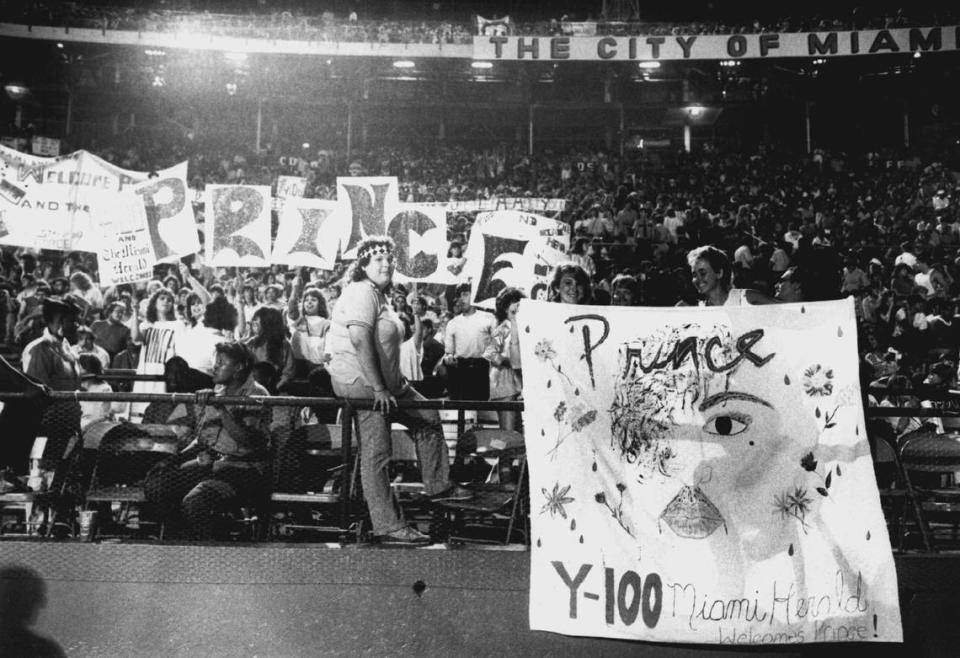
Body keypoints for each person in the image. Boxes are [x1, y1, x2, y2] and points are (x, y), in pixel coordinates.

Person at [327, 236, 471, 544]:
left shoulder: (380, 295)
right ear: (363, 265)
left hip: (389, 385)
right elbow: (359, 341)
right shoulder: (360, 292)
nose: (386, 264)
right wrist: (379, 387)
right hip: (364, 385)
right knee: (378, 452)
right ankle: (389, 526)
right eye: (378, 259)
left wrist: (391, 384)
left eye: (389, 259)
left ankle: (440, 486)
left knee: (429, 418)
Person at [145, 342, 271, 540]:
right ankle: (178, 543)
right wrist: (175, 460)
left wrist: (221, 408)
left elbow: (247, 440)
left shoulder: (257, 394)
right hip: (210, 465)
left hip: (242, 471)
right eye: (215, 361)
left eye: (221, 362)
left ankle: (220, 546)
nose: (215, 366)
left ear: (238, 367)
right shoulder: (216, 392)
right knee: (158, 484)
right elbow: (202, 439)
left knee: (195, 502)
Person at [21, 298, 82, 469]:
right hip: (47, 426)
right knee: (43, 472)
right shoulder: (39, 350)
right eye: (73, 321)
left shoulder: (67, 346)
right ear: (59, 322)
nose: (77, 325)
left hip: (69, 422)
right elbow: (37, 394)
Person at [443, 282, 497, 402]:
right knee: (460, 409)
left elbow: (497, 344)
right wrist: (449, 358)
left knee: (480, 407)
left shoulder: (488, 318)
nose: (461, 299)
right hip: (459, 370)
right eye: (459, 296)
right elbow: (449, 352)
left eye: (465, 295)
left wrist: (488, 360)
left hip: (481, 369)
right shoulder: (453, 323)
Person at [484, 287, 524, 431]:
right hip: (504, 384)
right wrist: (509, 361)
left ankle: (506, 452)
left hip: (517, 384)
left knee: (518, 431)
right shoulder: (502, 329)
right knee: (508, 431)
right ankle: (501, 452)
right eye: (514, 309)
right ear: (505, 310)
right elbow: (490, 353)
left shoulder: (522, 328)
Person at [686, 245, 776, 306]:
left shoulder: (746, 298)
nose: (697, 279)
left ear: (719, 273)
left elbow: (785, 309)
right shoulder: (699, 310)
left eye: (702, 273)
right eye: (694, 275)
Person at [242, 307, 296, 394]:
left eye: (257, 324)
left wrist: (275, 388)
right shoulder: (251, 343)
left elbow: (288, 373)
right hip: (251, 389)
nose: (253, 326)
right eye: (253, 323)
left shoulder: (284, 345)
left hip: (276, 390)